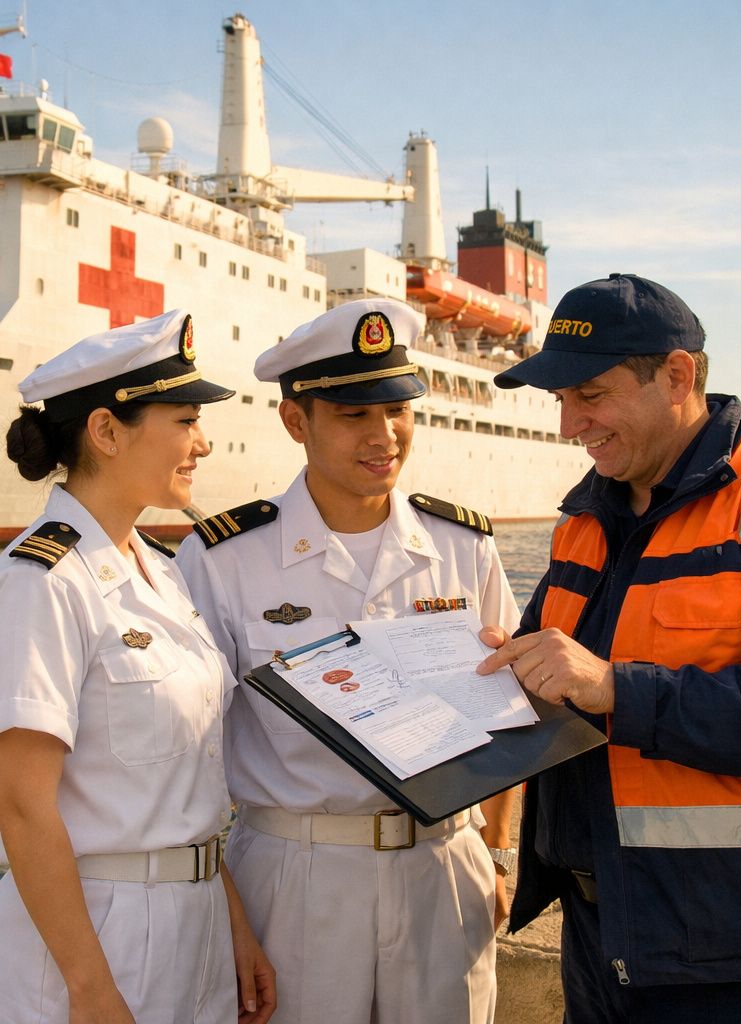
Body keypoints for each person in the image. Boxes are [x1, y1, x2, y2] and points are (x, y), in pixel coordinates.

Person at [478, 274, 741, 1022]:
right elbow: (563, 677)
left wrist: (617, 688)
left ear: (678, 376)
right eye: (560, 400)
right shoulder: (587, 516)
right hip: (608, 933)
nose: (568, 425)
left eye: (591, 394)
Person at [177, 298, 519, 1024]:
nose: (384, 434)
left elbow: (511, 709)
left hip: (443, 869)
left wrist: (498, 854)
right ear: (296, 421)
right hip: (296, 878)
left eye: (398, 408)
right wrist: (230, 917)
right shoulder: (225, 560)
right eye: (354, 413)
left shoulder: (462, 546)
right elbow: (187, 759)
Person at [0, 309, 277, 1024]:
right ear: (106, 432)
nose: (204, 441)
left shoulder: (160, 573)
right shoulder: (41, 582)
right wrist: (90, 988)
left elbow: (182, 787)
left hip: (191, 925)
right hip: (96, 932)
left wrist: (231, 922)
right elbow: (22, 803)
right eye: (184, 420)